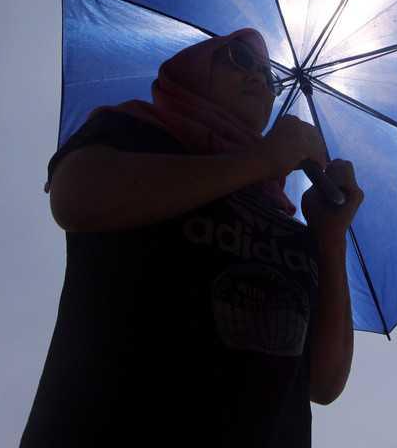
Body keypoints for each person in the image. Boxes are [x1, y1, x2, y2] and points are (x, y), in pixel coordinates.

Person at [19, 27, 364, 448]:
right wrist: (262, 158)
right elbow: (76, 197)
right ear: (195, 70)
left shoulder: (289, 221)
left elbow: (324, 383)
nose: (259, 77)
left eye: (268, 75)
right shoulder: (136, 134)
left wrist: (330, 238)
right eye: (239, 57)